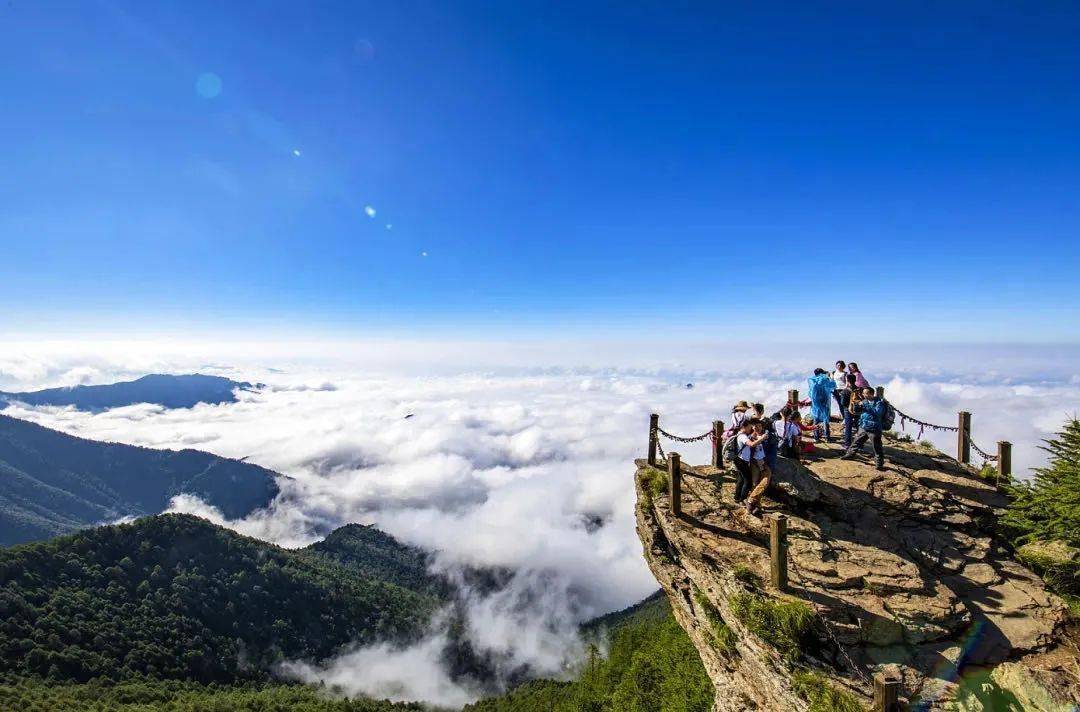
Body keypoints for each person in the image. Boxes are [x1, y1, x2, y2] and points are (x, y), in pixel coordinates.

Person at [841, 386, 887, 470]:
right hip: (864, 426)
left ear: (871, 394)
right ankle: (850, 454)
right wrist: (855, 404)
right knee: (856, 441)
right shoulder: (865, 401)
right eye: (863, 393)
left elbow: (877, 413)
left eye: (865, 393)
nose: (863, 394)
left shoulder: (879, 403)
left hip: (874, 428)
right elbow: (856, 411)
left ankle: (879, 463)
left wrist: (864, 404)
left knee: (877, 446)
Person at [744, 419, 773, 516]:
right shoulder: (750, 438)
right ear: (752, 427)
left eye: (759, 426)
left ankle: (751, 500)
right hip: (754, 462)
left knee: (764, 481)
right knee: (755, 483)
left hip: (764, 462)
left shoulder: (767, 437)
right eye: (755, 426)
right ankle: (756, 505)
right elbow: (750, 447)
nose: (757, 428)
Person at [733, 420, 765, 503]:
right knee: (748, 481)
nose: (750, 429)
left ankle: (737, 497)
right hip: (741, 461)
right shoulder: (742, 436)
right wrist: (762, 439)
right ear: (744, 427)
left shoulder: (740, 434)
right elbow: (752, 444)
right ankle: (742, 499)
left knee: (741, 479)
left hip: (739, 459)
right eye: (749, 427)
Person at [807, 368, 836, 442]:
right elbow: (833, 386)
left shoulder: (811, 380)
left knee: (815, 418)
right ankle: (827, 437)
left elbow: (810, 391)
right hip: (824, 400)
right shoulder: (825, 379)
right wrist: (831, 377)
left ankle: (816, 437)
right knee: (825, 419)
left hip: (815, 401)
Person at [752, 403, 780, 473]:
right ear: (762, 411)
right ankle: (769, 473)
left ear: (754, 410)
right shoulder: (766, 420)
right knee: (770, 459)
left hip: (757, 441)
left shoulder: (751, 420)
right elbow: (771, 430)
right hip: (767, 441)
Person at [838, 373, 858, 447]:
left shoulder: (845, 391)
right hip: (858, 411)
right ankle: (859, 445)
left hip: (848, 410)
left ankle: (847, 444)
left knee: (848, 427)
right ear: (855, 380)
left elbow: (842, 403)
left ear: (847, 381)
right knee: (859, 427)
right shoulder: (859, 389)